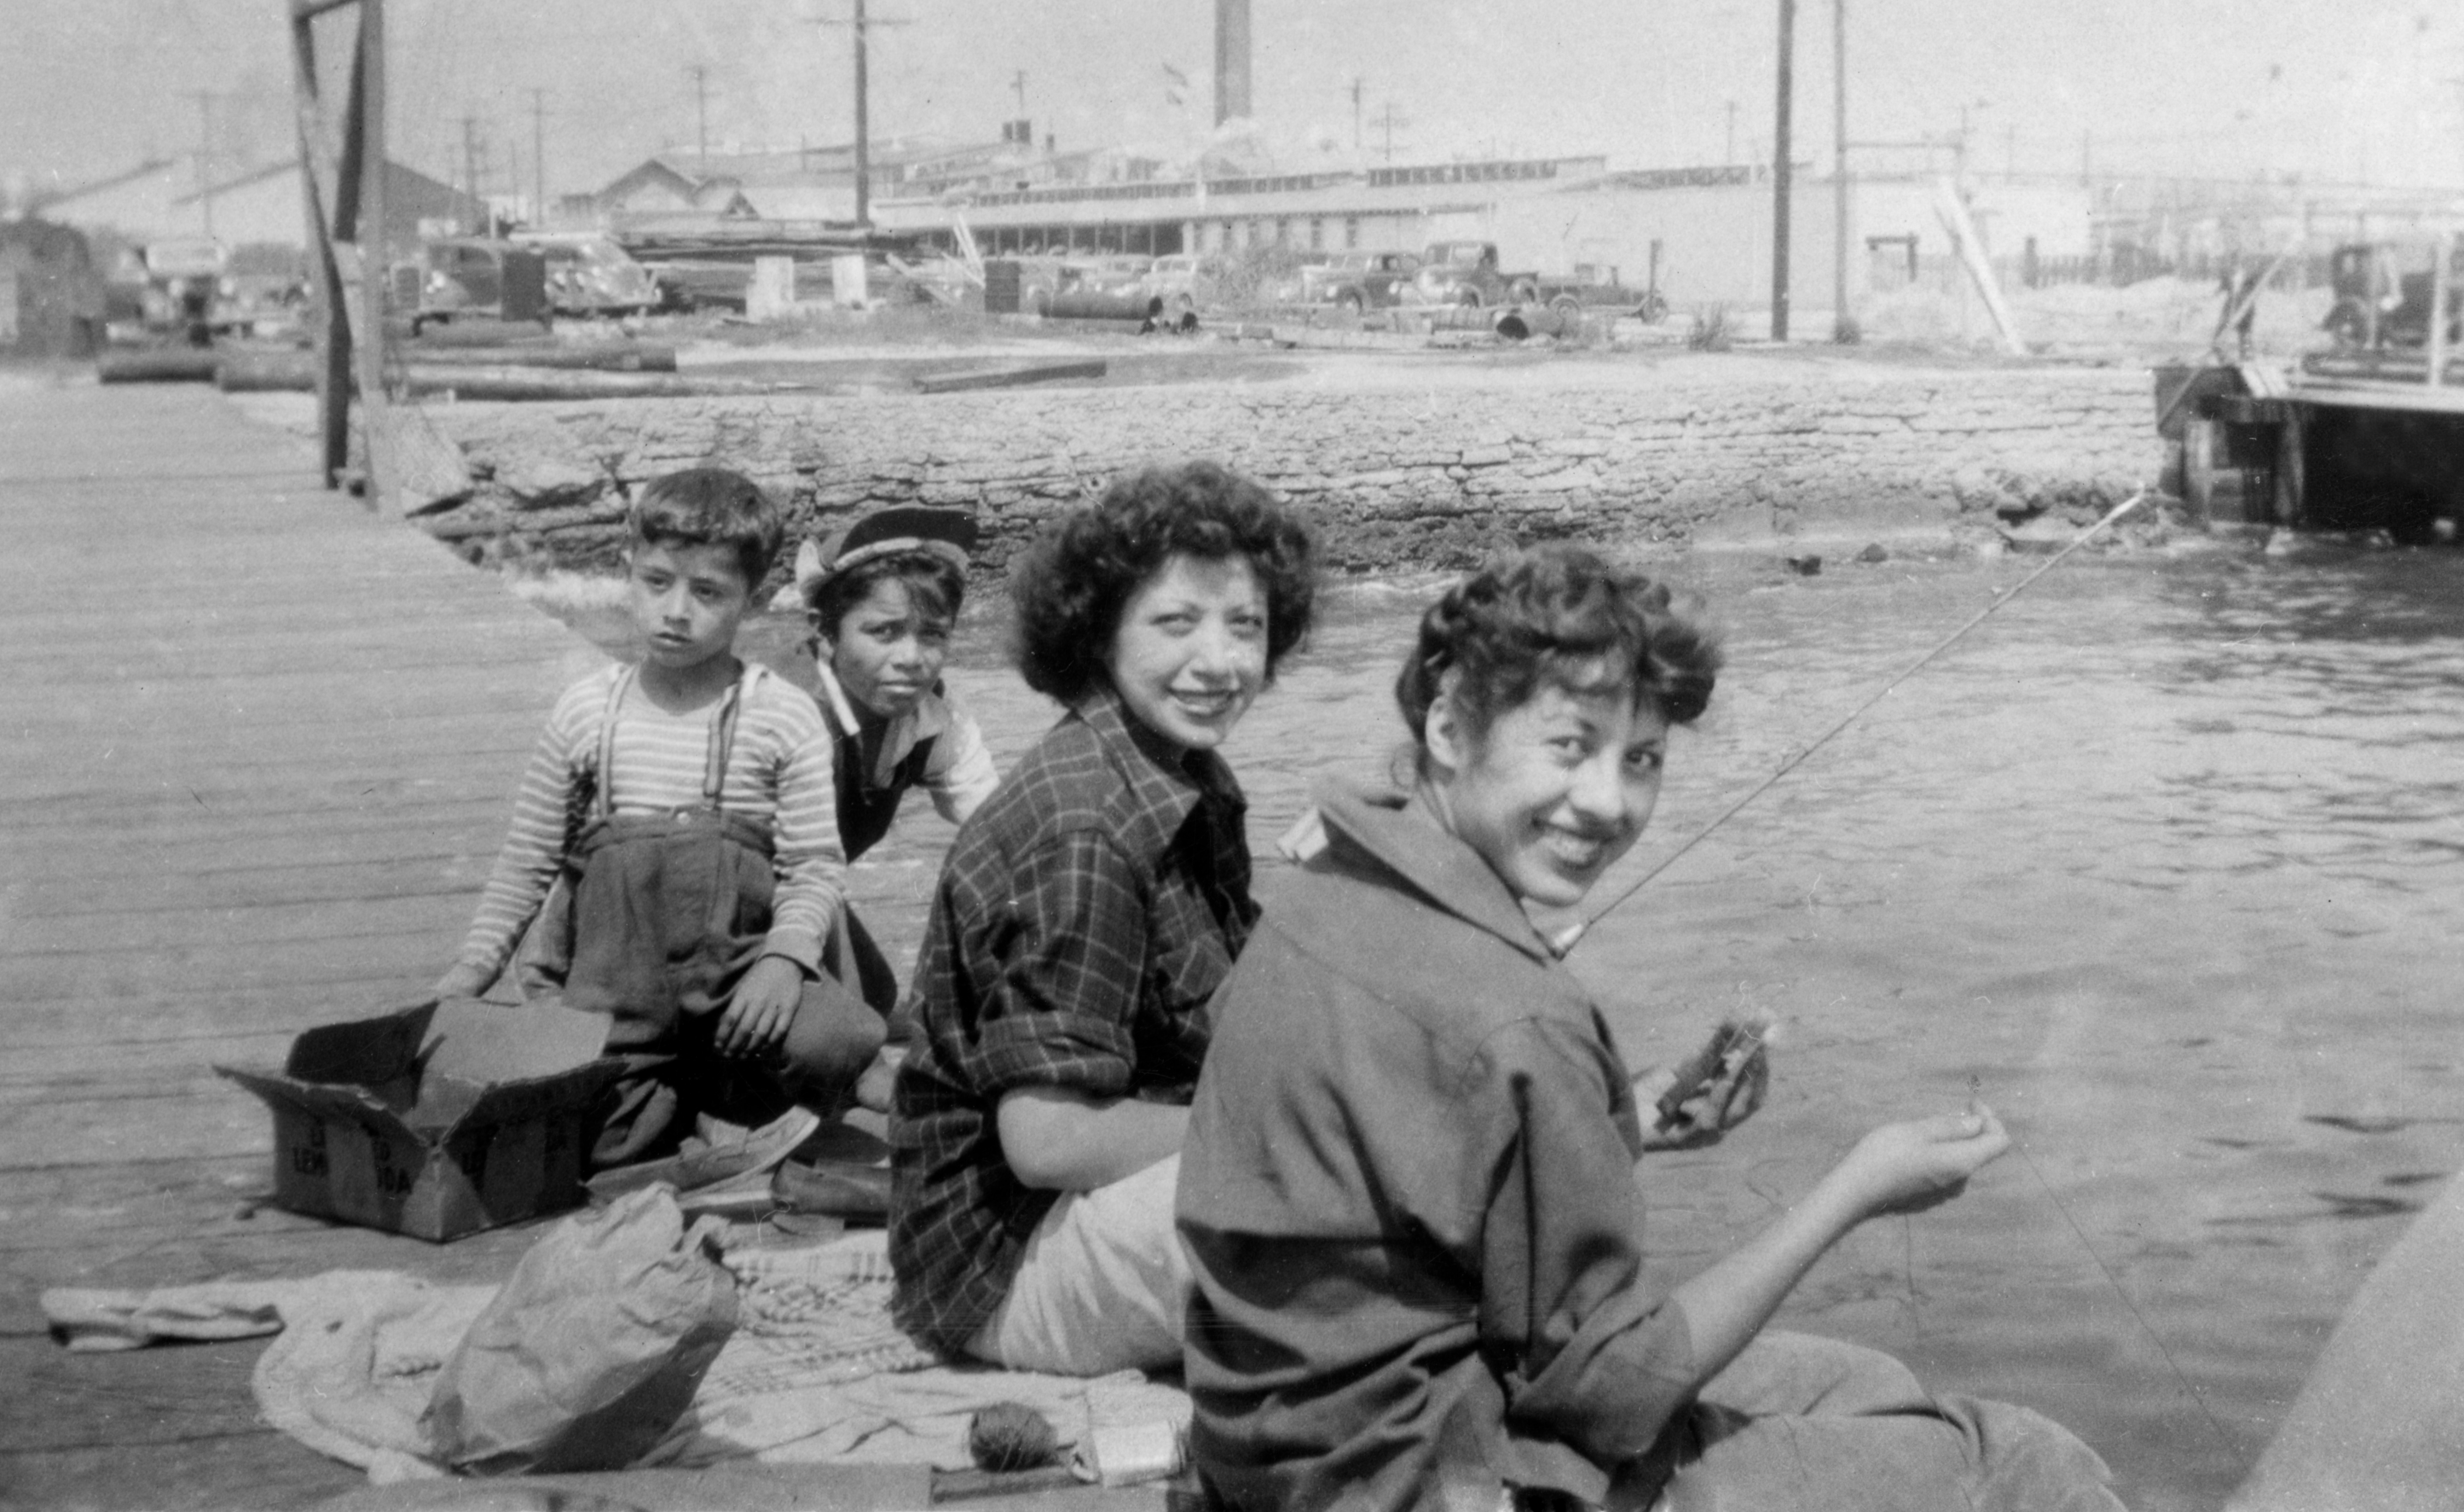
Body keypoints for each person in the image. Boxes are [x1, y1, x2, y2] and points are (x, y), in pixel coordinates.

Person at [1177, 544, 2126, 1511]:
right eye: (1567, 745)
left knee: (1865, 1388)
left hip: (1282, 1448)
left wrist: (1627, 1117)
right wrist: (1854, 1187)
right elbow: (1610, 1396)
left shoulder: (1327, 883)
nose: (1606, 802)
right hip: (1422, 1481)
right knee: (2021, 1463)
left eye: (1640, 758)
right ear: (1451, 726)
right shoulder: (1516, 1013)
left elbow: (1435, 1169)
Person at [887, 460, 1319, 1375]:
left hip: (1096, 1204)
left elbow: (1238, 1011)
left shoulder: (1182, 770)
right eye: (1174, 622)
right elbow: (1048, 1141)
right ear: (1098, 633)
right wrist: (1290, 1125)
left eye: (1245, 624)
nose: (1218, 660)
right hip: (1003, 1266)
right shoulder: (1085, 823)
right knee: (1365, 1196)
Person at [435, 467, 887, 1174]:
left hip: (737, 976)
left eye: (707, 592)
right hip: (616, 983)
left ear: (753, 598)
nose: (676, 611)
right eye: (656, 583)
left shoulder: (782, 714)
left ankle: (737, 1097)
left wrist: (782, 958)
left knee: (834, 1040)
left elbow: (813, 867)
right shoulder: (588, 712)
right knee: (590, 1150)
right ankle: (679, 1102)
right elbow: (528, 858)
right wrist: (472, 971)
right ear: (629, 572)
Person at [793, 505, 1000, 866]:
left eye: (933, 634)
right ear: (824, 632)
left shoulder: (934, 716)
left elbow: (1000, 824)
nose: (911, 658)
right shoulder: (784, 714)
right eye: (885, 632)